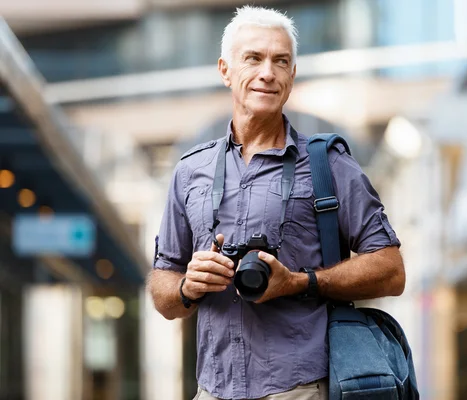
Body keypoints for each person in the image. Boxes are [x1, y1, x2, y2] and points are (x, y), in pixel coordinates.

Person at [147, 5, 406, 400]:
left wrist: (300, 282)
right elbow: (163, 293)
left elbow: (391, 270)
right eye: (253, 58)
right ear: (225, 70)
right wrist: (188, 286)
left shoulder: (330, 165)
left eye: (280, 61)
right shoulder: (189, 171)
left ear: (292, 75)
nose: (268, 72)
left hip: (300, 388)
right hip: (211, 390)